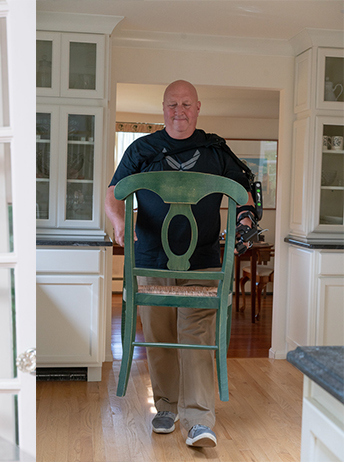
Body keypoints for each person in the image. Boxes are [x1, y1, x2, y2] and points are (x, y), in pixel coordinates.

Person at [104, 80, 255, 448]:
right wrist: (120, 221)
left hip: (203, 261)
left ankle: (199, 419)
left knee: (196, 337)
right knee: (159, 338)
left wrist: (246, 220)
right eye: (172, 104)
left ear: (198, 107)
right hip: (152, 260)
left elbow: (245, 193)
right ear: (163, 108)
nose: (179, 111)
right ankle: (167, 409)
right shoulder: (143, 149)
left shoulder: (216, 150)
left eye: (186, 104)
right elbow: (113, 192)